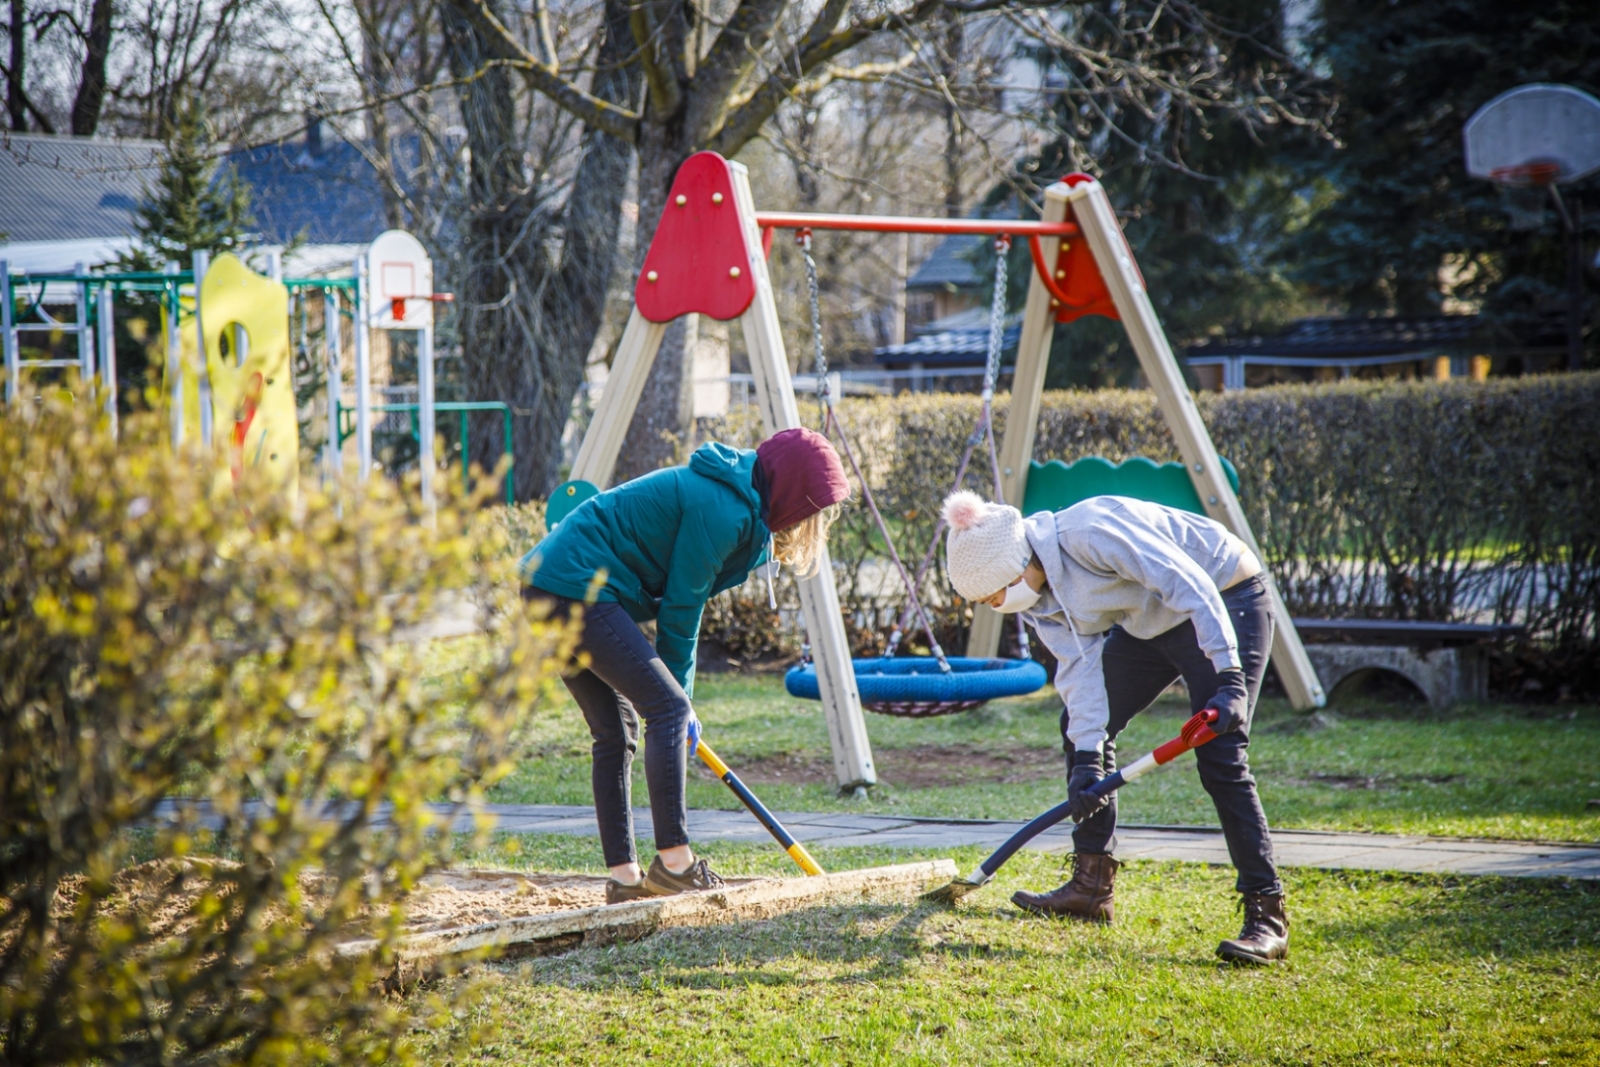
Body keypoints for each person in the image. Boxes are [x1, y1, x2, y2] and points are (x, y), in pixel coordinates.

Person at [940, 489, 1288, 964]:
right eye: (984, 600)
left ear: (1019, 562)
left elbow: (1188, 584)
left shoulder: (1091, 532)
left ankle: (1266, 914)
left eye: (996, 592)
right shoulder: (1040, 598)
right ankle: (1091, 887)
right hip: (1150, 623)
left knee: (1220, 753)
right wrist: (1087, 757)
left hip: (1223, 595)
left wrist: (1229, 676)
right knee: (1080, 728)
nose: (996, 604)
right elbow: (1080, 670)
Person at [521, 429, 849, 905]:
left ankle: (626, 880)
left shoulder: (742, 507)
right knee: (667, 710)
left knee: (616, 732)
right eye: (813, 507)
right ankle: (675, 863)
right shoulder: (723, 508)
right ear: (792, 488)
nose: (812, 521)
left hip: (544, 585)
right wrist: (681, 700)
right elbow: (681, 607)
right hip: (575, 584)